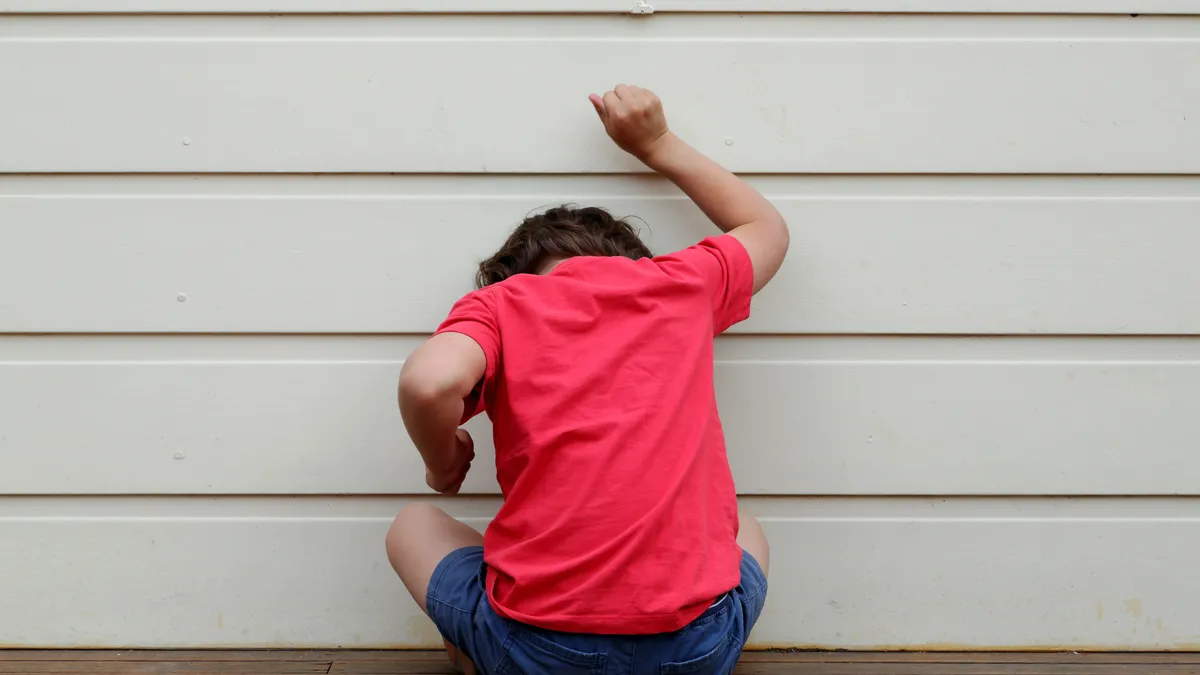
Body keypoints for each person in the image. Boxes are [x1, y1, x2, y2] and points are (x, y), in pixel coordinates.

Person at [385, 83, 789, 675]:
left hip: (542, 649)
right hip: (694, 646)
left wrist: (442, 461)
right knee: (745, 528)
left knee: (412, 525)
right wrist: (657, 142)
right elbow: (767, 227)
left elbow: (428, 383)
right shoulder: (679, 284)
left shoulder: (503, 303)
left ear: (514, 274)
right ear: (632, 260)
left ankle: (482, 656)